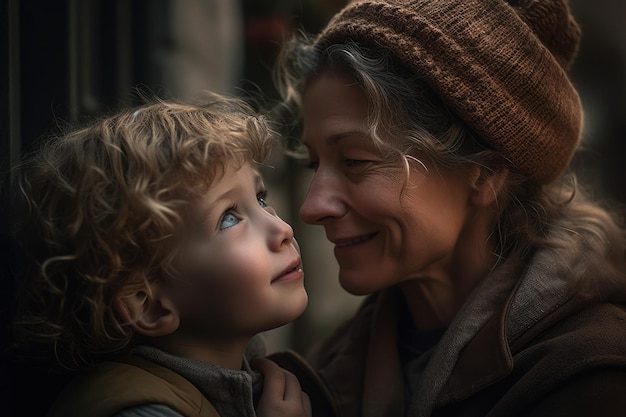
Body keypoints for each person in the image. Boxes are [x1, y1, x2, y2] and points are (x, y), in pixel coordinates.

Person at [270, 0, 626, 416]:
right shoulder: (324, 372)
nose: (312, 207)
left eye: (355, 161)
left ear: (485, 174)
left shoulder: (589, 377)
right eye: (315, 164)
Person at [8, 96, 313, 417]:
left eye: (261, 199)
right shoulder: (145, 412)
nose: (282, 229)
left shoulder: (247, 378)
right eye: (228, 218)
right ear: (148, 304)